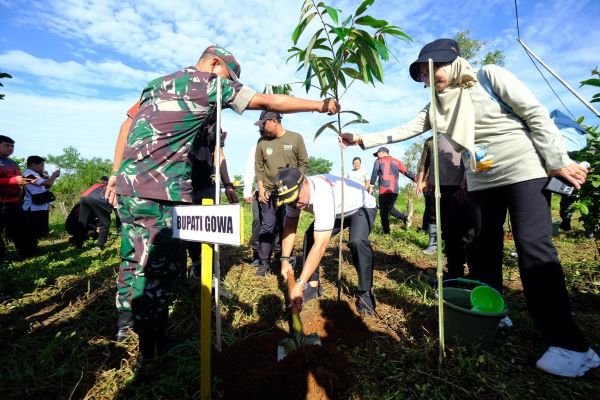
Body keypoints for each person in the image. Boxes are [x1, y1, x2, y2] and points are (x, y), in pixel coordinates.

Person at [341, 38, 598, 377]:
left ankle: (572, 346)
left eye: (435, 67)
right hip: (483, 181)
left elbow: (535, 114)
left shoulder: (490, 76)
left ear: (453, 60)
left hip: (524, 172)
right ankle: (494, 311)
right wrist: (362, 139)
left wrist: (557, 161)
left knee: (533, 247)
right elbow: (407, 129)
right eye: (423, 73)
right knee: (482, 248)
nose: (430, 77)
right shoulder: (438, 104)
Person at [104, 44, 340, 361]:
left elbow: (128, 124)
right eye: (228, 75)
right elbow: (269, 101)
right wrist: (319, 105)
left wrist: (116, 173)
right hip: (159, 191)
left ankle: (124, 326)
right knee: (158, 267)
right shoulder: (207, 84)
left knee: (132, 257)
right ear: (215, 64)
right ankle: (152, 346)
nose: (229, 83)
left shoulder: (158, 83)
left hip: (130, 186)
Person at [274, 168, 378, 315]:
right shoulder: (292, 198)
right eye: (290, 201)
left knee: (357, 241)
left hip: (361, 207)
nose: (295, 205)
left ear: (305, 182)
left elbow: (321, 245)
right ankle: (313, 284)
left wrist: (300, 283)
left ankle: (366, 291)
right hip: (336, 211)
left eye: (296, 199)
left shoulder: (322, 195)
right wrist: (285, 260)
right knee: (310, 236)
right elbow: (290, 227)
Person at [254, 111, 308, 276]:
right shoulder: (262, 142)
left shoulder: (295, 138)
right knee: (268, 225)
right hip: (269, 193)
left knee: (287, 226)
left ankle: (284, 258)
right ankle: (264, 263)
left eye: (264, 123)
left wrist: (297, 185)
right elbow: (259, 167)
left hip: (289, 193)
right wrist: (261, 188)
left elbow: (303, 162)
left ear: (274, 121)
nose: (263, 126)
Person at [187, 123, 237, 281]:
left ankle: (212, 268)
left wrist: (228, 184)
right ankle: (195, 263)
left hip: (209, 184)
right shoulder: (186, 120)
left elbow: (219, 155)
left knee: (211, 226)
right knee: (189, 228)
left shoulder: (215, 125)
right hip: (186, 183)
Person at [0, 135, 37, 267]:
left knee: (22, 229)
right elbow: (12, 180)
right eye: (7, 145)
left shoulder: (12, 162)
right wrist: (13, 181)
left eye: (12, 146)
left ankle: (27, 253)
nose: (10, 148)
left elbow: (17, 179)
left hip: (14, 202)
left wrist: (25, 180)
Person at [370, 146, 415, 234]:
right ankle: (405, 218)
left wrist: (371, 185)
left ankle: (386, 233)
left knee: (383, 212)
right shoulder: (397, 161)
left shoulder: (378, 161)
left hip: (384, 191)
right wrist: (417, 179)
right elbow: (406, 172)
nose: (377, 156)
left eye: (377, 154)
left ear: (382, 152)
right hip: (394, 191)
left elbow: (374, 173)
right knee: (390, 209)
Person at [242, 126, 265, 267]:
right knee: (257, 221)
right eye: (261, 132)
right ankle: (257, 253)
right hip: (258, 191)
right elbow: (250, 169)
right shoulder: (255, 147)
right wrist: (247, 190)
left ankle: (277, 255)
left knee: (276, 224)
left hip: (278, 192)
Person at [22, 156, 60, 239]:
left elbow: (46, 187)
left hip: (40, 205)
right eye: (41, 166)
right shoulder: (27, 174)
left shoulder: (36, 175)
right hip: (32, 207)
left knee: (42, 232)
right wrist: (54, 175)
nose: (43, 168)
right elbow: (48, 184)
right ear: (33, 165)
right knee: (33, 232)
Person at [416, 136, 437, 254]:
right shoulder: (430, 141)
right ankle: (433, 243)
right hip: (432, 183)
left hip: (454, 180)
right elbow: (424, 162)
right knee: (432, 212)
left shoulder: (455, 134)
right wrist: (420, 182)